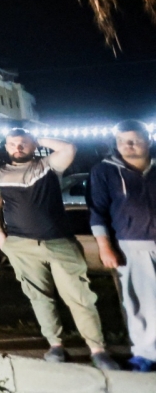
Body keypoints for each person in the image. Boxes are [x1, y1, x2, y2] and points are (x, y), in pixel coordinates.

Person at [0, 128, 117, 369]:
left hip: (60, 241)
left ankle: (98, 349)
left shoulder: (48, 166)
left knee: (80, 297)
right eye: (12, 143)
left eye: (23, 143)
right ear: (6, 147)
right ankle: (55, 345)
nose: (18, 147)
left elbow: (68, 148)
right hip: (22, 246)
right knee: (39, 298)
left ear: (33, 145)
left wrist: (36, 137)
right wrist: (1, 238)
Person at [89, 120, 156, 373]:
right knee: (138, 303)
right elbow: (97, 212)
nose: (128, 145)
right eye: (122, 141)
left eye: (135, 140)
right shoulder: (104, 171)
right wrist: (105, 247)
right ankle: (145, 354)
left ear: (148, 140)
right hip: (131, 245)